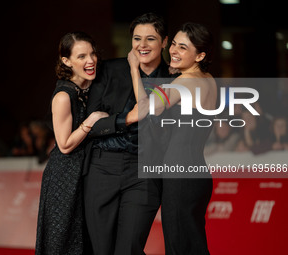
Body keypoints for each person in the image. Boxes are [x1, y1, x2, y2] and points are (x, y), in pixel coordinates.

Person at [84, 13, 174, 255]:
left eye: (150, 39)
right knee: (100, 249)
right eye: (137, 38)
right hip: (102, 166)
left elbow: (157, 127)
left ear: (164, 42)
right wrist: (125, 119)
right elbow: (90, 125)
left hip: (144, 172)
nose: (142, 45)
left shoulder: (175, 80)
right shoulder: (110, 70)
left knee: (129, 249)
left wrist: (135, 71)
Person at [129, 22, 216, 254]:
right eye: (174, 44)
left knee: (179, 245)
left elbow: (149, 108)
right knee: (193, 243)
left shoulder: (186, 81)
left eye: (183, 48)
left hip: (180, 173)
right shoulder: (208, 79)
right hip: (197, 171)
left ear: (200, 55)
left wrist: (133, 70)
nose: (174, 51)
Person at [35, 32, 108, 255]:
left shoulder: (90, 89)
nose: (90, 60)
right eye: (82, 56)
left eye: (93, 54)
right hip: (64, 177)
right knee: (63, 241)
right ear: (66, 61)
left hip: (86, 173)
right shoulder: (64, 96)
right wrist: (91, 120)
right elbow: (64, 144)